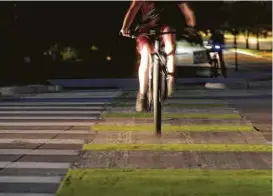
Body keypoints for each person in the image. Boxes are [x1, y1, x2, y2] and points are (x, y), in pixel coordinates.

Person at [120, 1, 196, 112]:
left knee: (169, 40)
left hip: (164, 28)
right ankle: (142, 94)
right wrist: (125, 27)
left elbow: (187, 9)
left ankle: (170, 78)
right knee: (146, 56)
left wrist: (191, 26)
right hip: (145, 29)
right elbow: (132, 10)